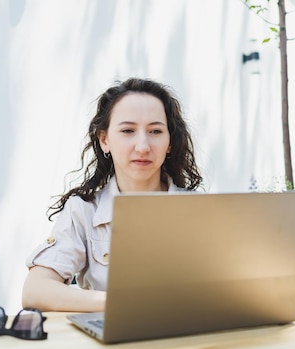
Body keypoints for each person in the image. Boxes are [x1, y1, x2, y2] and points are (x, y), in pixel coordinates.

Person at [22, 78, 203, 312]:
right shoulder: (83, 211)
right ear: (104, 139)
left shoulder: (199, 209)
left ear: (169, 142)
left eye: (155, 131)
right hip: (109, 344)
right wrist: (119, 303)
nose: (143, 146)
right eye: (128, 130)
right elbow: (35, 291)